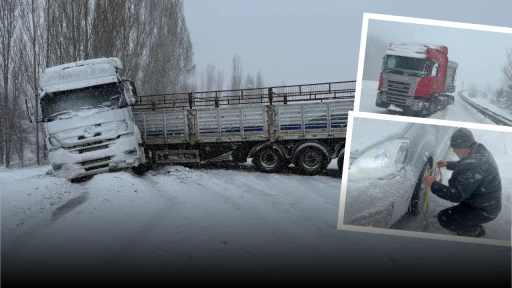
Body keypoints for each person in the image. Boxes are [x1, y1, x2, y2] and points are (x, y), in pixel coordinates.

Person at [424, 127, 501, 238]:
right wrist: (448, 164)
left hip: (484, 210)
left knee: (444, 218)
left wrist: (433, 184)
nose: (454, 150)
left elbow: (457, 195)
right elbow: (466, 165)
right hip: (484, 202)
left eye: (455, 148)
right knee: (455, 213)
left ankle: (475, 231)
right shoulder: (478, 150)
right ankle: (468, 220)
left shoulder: (475, 165)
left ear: (465, 147)